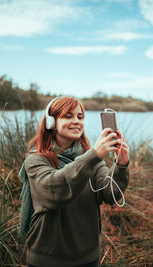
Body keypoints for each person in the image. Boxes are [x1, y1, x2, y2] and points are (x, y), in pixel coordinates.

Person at [22, 96, 130, 267]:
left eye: (80, 117)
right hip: (47, 258)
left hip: (88, 257)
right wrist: (94, 154)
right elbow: (54, 190)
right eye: (68, 116)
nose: (76, 121)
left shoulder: (91, 158)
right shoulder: (36, 159)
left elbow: (111, 194)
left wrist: (121, 165)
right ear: (51, 122)